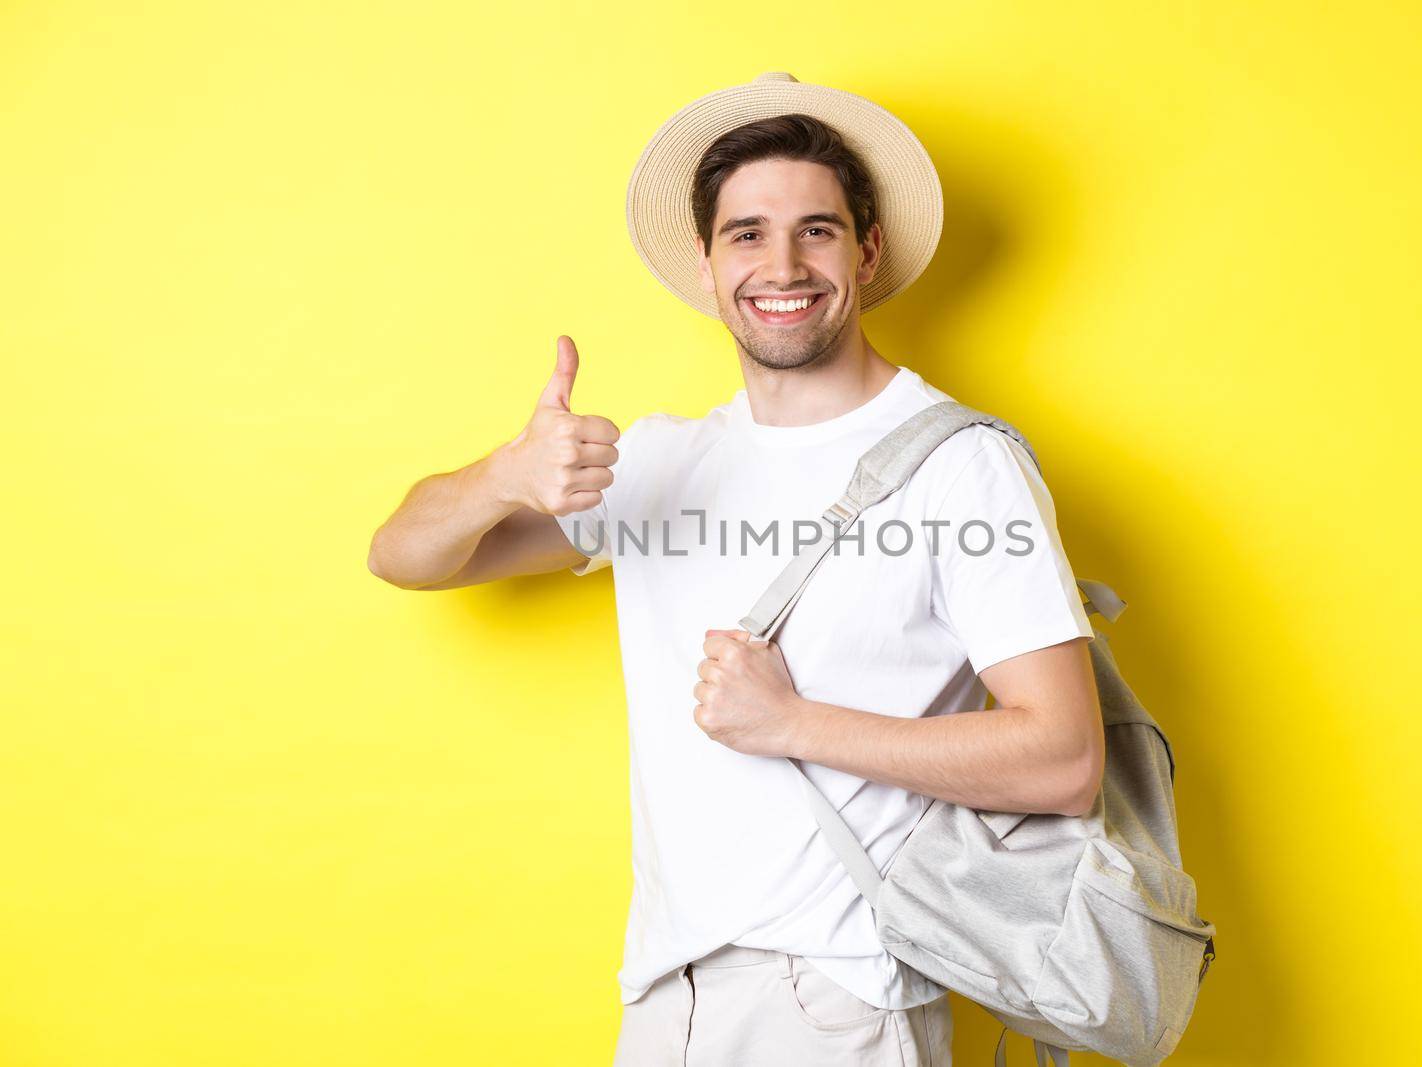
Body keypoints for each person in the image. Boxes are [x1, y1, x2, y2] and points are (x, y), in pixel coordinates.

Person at [368, 72, 1104, 1067]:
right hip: (665, 995)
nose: (783, 263)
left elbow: (1063, 759)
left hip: (839, 996)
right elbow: (406, 555)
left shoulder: (960, 464)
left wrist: (792, 722)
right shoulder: (664, 463)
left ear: (867, 250)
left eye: (817, 228)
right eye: (747, 234)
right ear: (708, 266)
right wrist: (504, 475)